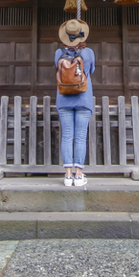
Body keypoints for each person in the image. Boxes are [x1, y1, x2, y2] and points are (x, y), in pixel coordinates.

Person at [55, 19, 95, 187]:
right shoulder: (88, 53)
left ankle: (67, 175)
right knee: (80, 136)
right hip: (83, 98)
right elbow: (91, 70)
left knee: (67, 136)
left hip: (64, 99)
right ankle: (79, 175)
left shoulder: (58, 53)